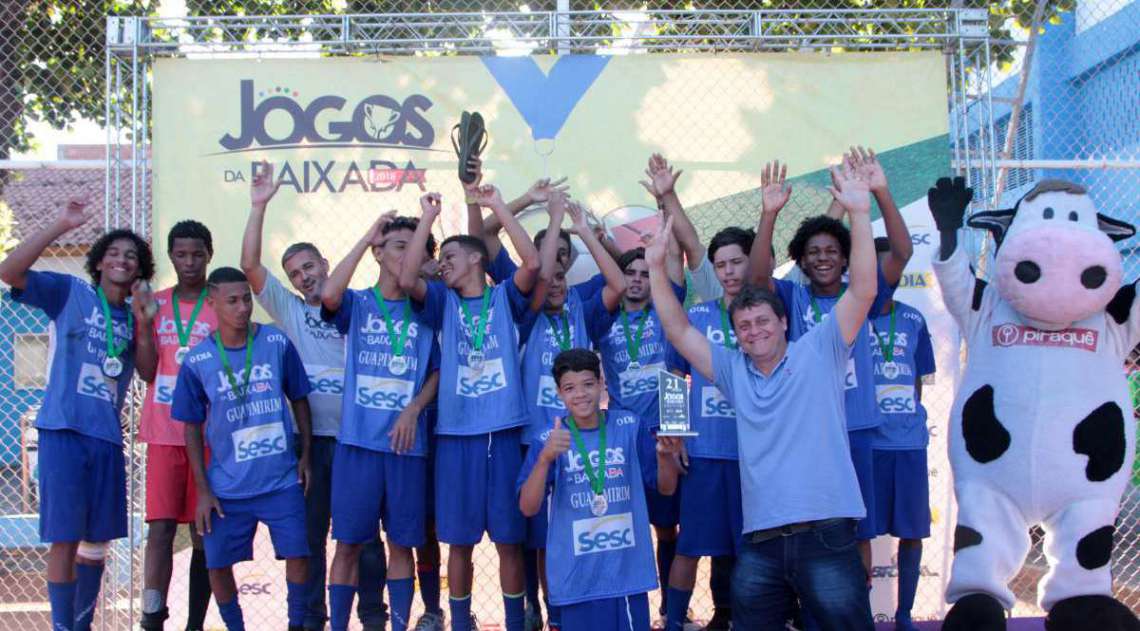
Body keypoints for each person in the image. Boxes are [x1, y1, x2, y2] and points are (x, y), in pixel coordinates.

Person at [650, 163, 879, 629]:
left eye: (763, 322)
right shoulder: (733, 367)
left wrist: (858, 212)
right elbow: (676, 331)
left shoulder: (820, 350)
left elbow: (864, 289)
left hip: (826, 533)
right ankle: (674, 620)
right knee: (700, 555)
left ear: (785, 324)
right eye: (744, 326)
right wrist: (656, 266)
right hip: (761, 538)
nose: (754, 332)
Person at [749, 148, 913, 576]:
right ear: (802, 262)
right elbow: (757, 280)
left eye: (832, 251)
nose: (823, 257)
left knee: (858, 530)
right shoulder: (793, 297)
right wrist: (768, 215)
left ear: (846, 258)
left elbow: (900, 252)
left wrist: (880, 192)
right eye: (813, 252)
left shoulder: (863, 296)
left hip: (856, 428)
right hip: (805, 430)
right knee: (806, 529)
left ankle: (854, 612)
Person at [241, 161, 387, 629]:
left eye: (309, 267)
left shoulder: (361, 305)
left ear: (326, 264)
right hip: (312, 444)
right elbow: (248, 265)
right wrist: (259, 206)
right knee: (310, 536)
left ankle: (372, 616)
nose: (303, 277)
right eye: (295, 272)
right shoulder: (289, 309)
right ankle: (309, 618)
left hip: (359, 442)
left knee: (364, 537)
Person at [0, 198, 156, 631]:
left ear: (139, 270)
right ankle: (63, 627)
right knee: (65, 539)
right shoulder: (70, 293)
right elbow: (9, 272)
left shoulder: (133, 316)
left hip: (106, 437)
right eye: (114, 253)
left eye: (132, 256)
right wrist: (61, 223)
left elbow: (147, 370)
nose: (122, 260)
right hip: (63, 430)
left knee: (97, 541)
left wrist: (145, 321)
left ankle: (82, 624)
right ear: (99, 262)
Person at [398, 186, 540, 631]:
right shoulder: (442, 303)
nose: (443, 264)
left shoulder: (505, 300)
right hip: (456, 436)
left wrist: (498, 203)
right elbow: (406, 280)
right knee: (458, 543)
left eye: (452, 256)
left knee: (509, 542)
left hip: (502, 433)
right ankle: (460, 623)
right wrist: (427, 218)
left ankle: (516, 622)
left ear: (477, 260)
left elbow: (532, 263)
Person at [319, 212, 442, 631]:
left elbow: (440, 372)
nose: (408, 254)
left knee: (402, 544)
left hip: (407, 448)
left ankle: (402, 624)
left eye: (416, 247)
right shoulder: (359, 303)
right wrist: (366, 235)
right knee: (348, 544)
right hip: (358, 445)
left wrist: (412, 409)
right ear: (377, 254)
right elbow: (330, 295)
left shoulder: (427, 306)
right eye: (397, 246)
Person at [172, 267, 312, 631]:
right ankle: (235, 627)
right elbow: (190, 426)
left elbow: (299, 399)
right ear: (213, 302)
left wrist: (306, 455)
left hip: (280, 480)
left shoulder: (276, 343)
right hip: (227, 488)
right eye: (232, 300)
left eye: (246, 299)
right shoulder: (198, 360)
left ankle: (296, 624)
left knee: (298, 554)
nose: (242, 308)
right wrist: (203, 490)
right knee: (217, 563)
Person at [516, 192, 627, 629]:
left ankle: (576, 602)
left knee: (580, 525)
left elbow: (617, 284)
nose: (556, 285)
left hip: (585, 438)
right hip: (539, 440)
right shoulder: (525, 314)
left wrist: (583, 230)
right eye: (549, 280)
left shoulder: (584, 308)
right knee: (541, 536)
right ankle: (544, 607)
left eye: (562, 277)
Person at [517, 349, 684, 631]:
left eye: (588, 384)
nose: (580, 394)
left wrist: (666, 457)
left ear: (602, 384)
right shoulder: (549, 439)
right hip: (575, 578)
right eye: (570, 388)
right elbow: (527, 507)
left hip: (625, 576)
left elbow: (666, 489)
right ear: (559, 393)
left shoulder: (630, 426)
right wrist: (545, 459)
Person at [597, 157, 687, 625]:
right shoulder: (605, 319)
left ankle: (672, 616)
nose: (636, 280)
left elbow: (676, 374)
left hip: (664, 430)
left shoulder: (666, 311)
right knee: (627, 526)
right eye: (628, 274)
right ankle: (629, 612)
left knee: (669, 527)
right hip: (622, 434)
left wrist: (663, 201)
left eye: (641, 273)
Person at [661, 226, 754, 631]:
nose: (730, 272)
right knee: (690, 545)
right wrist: (677, 431)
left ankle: (751, 619)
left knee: (753, 550)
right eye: (721, 265)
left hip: (754, 454)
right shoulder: (696, 315)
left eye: (737, 262)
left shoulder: (762, 317)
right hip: (705, 453)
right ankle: (675, 622)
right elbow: (671, 374)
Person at [137, 220, 218, 631]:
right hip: (164, 434)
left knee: (205, 533)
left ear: (209, 256)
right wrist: (143, 325)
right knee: (161, 530)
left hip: (207, 437)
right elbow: (148, 372)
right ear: (170, 257)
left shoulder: (219, 305)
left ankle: (196, 623)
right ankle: (152, 616)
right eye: (181, 254)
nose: (189, 262)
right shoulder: (158, 305)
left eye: (197, 254)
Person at [867, 239, 936, 631]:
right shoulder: (853, 317)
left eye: (887, 270)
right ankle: (859, 611)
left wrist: (909, 418)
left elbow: (917, 379)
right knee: (863, 534)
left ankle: (904, 613)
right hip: (869, 444)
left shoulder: (913, 319)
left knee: (912, 533)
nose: (882, 278)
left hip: (908, 444)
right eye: (873, 270)